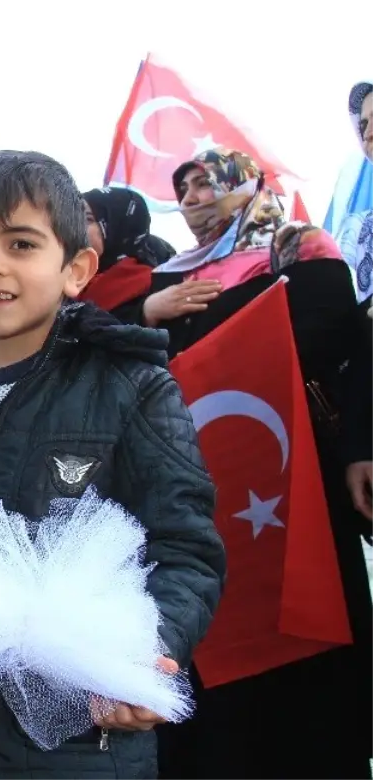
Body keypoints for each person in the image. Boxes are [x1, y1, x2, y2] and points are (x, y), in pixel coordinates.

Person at [0, 150, 226, 778]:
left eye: (21, 243)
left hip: (78, 742)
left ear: (77, 268)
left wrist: (151, 647)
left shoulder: (133, 388)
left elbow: (185, 548)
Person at [144, 149, 373, 778]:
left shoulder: (298, 246)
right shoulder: (165, 279)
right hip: (199, 486)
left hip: (298, 479)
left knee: (309, 655)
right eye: (182, 187)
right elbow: (132, 353)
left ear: (244, 185)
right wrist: (153, 315)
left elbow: (329, 327)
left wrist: (192, 324)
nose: (190, 198)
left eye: (204, 183)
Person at [78, 187, 175, 321]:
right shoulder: (67, 275)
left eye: (88, 219)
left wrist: (142, 315)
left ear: (117, 227)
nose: (75, 226)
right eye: (74, 217)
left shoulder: (150, 289)